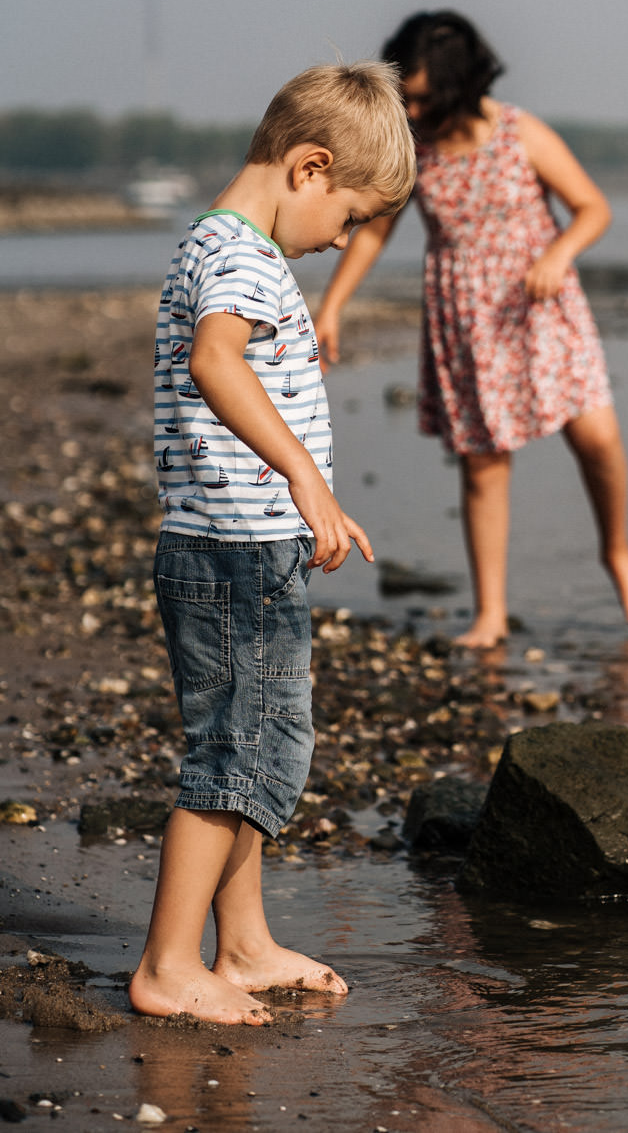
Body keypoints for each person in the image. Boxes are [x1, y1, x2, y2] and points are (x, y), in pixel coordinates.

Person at [129, 61, 415, 1025]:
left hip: (229, 546)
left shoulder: (220, 243)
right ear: (310, 167)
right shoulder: (246, 259)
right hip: (235, 550)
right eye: (348, 219)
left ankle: (242, 944)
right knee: (235, 755)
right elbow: (216, 361)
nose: (342, 243)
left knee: (247, 745)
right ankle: (170, 965)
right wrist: (304, 476)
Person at [314, 11, 628, 650]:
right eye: (409, 95)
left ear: (461, 84)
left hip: (543, 305)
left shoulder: (520, 133)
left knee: (597, 435)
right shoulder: (414, 148)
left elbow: (593, 208)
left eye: (425, 95)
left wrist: (559, 253)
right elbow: (374, 228)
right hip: (466, 315)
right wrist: (333, 305)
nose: (415, 106)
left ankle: (618, 556)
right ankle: (490, 615)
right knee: (484, 466)